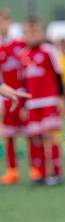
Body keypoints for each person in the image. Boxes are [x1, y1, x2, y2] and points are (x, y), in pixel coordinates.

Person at [20, 16, 65, 185]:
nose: (32, 35)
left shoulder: (48, 50)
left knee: (49, 135)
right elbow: (24, 81)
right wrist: (24, 105)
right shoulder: (23, 54)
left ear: (42, 32)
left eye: (36, 31)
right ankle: (40, 173)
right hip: (32, 103)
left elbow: (58, 74)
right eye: (29, 31)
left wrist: (60, 97)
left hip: (48, 100)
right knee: (35, 137)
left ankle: (56, 172)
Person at [0, 10, 32, 185]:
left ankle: (36, 168)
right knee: (8, 135)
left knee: (31, 133)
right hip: (5, 95)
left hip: (22, 94)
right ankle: (12, 170)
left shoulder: (21, 44)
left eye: (4, 21)